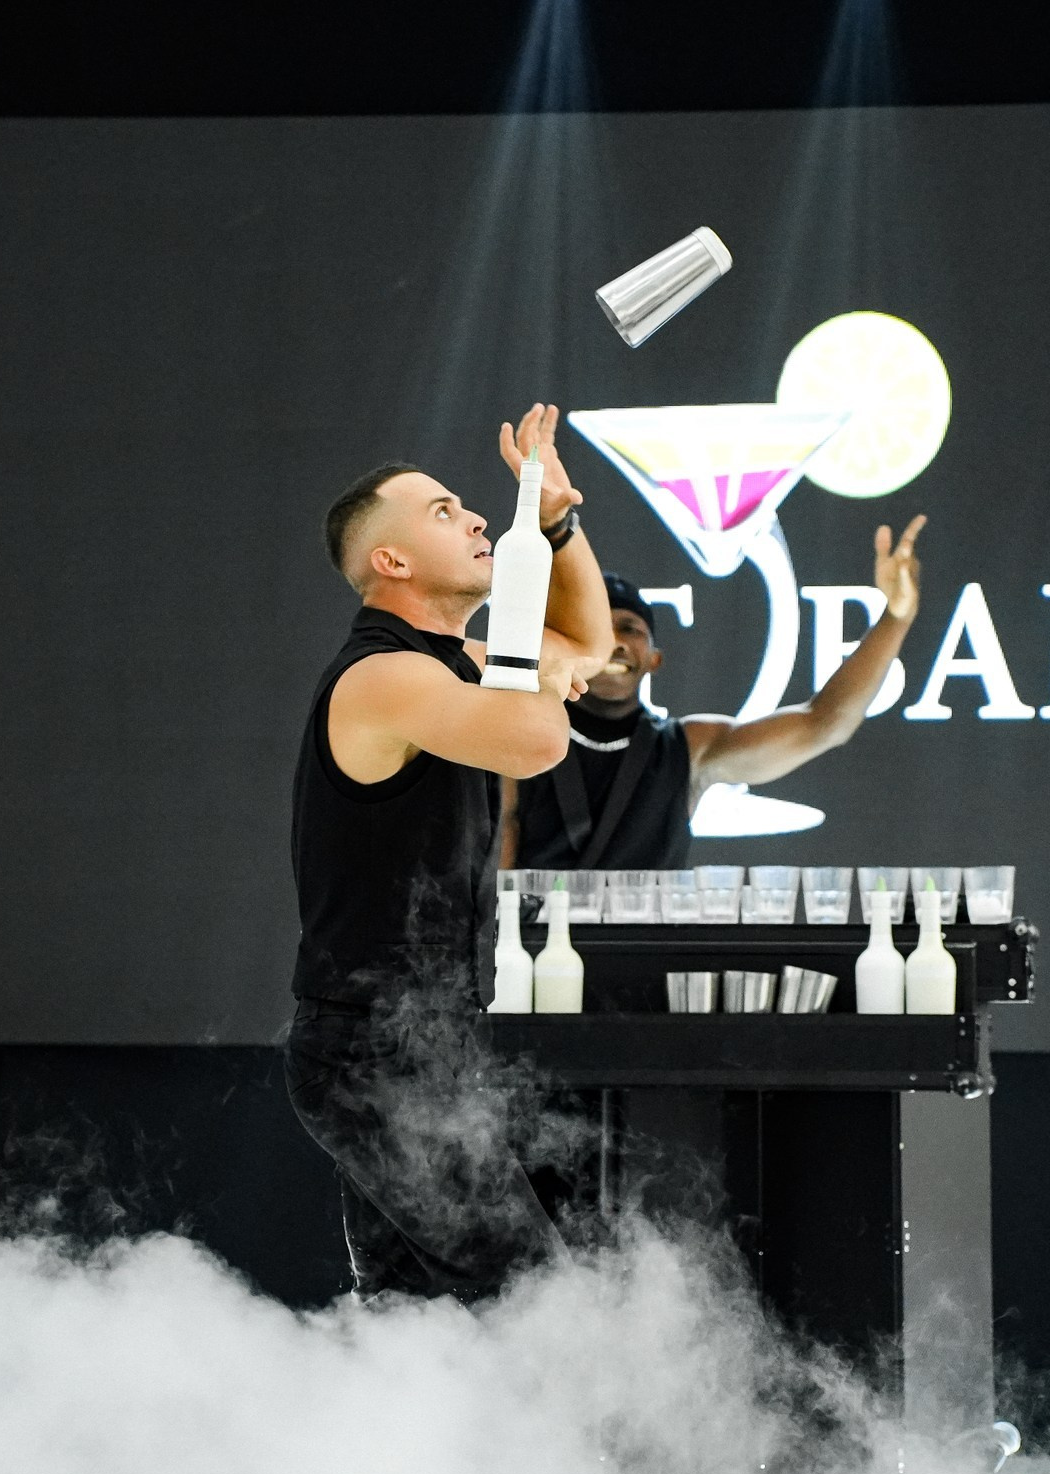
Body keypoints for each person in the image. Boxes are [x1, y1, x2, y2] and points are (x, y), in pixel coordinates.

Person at [286, 404, 616, 1301]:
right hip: (373, 1055)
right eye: (442, 512)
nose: (475, 517)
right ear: (388, 561)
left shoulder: (457, 661)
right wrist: (535, 665)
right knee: (533, 1309)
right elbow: (537, 740)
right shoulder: (385, 677)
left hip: (426, 1044)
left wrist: (554, 522)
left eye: (472, 507)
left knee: (415, 1334)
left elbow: (589, 646)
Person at [501, 517, 927, 872]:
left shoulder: (688, 748)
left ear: (654, 658)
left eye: (630, 628)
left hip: (643, 963)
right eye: (598, 628)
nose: (615, 642)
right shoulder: (520, 735)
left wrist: (896, 616)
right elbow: (492, 863)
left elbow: (825, 724)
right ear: (570, 644)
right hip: (534, 959)